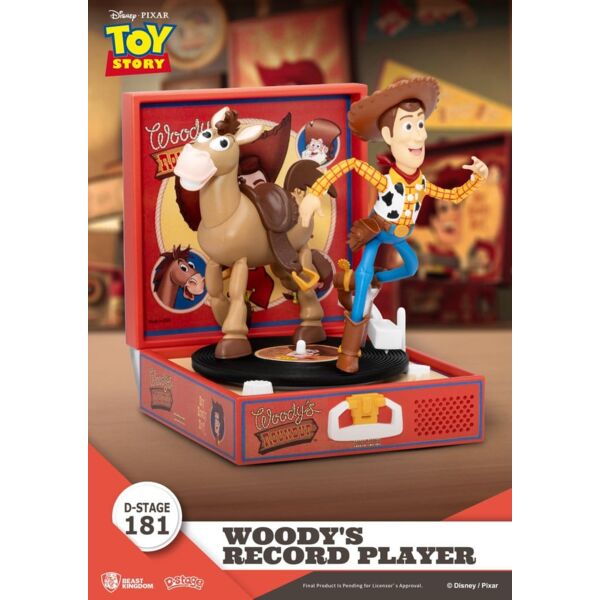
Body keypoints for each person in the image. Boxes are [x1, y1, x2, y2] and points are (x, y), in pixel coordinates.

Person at [300, 77, 489, 373]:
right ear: (388, 135)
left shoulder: (422, 182)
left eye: (420, 125)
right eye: (409, 126)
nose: (419, 135)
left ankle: (369, 280)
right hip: (379, 231)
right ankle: (349, 352)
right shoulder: (386, 181)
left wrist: (477, 179)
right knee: (363, 281)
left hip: (401, 235)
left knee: (411, 267)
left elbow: (453, 196)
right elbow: (351, 164)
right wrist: (314, 194)